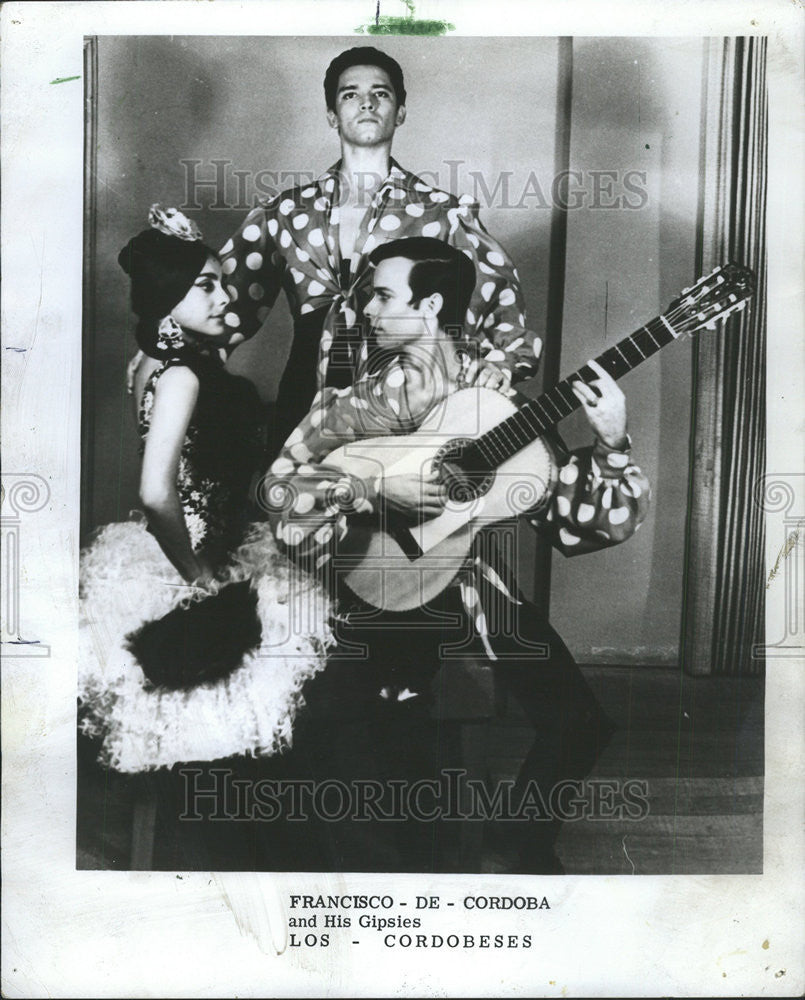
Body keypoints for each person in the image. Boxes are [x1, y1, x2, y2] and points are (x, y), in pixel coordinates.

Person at [264, 237, 651, 873]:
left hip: (469, 582)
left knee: (579, 722)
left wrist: (611, 443)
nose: (366, 309)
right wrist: (371, 485)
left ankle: (519, 840)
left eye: (383, 295)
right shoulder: (355, 404)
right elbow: (280, 495)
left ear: (431, 304)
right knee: (397, 751)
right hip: (370, 591)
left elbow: (582, 523)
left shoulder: (493, 402)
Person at [79, 205, 332, 779]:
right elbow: (155, 492)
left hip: (192, 549)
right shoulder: (183, 377)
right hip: (191, 562)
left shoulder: (157, 363)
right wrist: (197, 578)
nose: (226, 298)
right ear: (170, 301)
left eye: (222, 283)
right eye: (207, 287)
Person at [220, 45, 541, 454]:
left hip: (403, 407)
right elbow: (221, 302)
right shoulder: (284, 212)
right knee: (299, 505)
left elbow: (500, 301)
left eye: (382, 93)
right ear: (332, 115)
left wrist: (500, 363)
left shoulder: (442, 214)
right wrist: (163, 352)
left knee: (388, 506)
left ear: (400, 112)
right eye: (350, 93)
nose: (367, 102)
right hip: (303, 403)